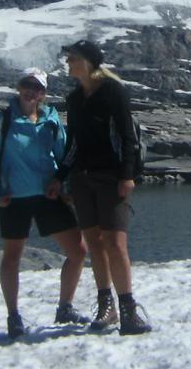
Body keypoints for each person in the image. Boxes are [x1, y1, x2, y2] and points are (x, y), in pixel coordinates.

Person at [47, 40, 152, 335]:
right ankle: (107, 307)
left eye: (73, 58)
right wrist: (61, 175)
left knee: (116, 244)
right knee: (94, 243)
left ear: (89, 62)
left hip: (111, 178)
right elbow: (73, 143)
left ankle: (129, 309)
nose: (68, 62)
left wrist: (127, 175)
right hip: (82, 179)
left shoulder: (112, 91)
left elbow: (127, 136)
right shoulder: (74, 98)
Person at [0, 67, 90, 338]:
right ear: (19, 87)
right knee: (12, 257)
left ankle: (65, 307)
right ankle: (13, 316)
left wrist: (63, 186)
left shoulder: (51, 120)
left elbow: (63, 156)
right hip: (13, 198)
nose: (31, 92)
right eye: (27, 85)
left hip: (47, 196)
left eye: (37, 88)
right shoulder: (3, 120)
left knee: (78, 251)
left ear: (43, 93)